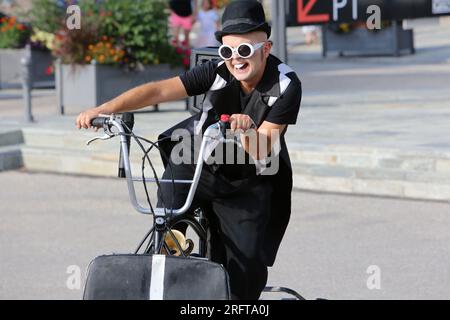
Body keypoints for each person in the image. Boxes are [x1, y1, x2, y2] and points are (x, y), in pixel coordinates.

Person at [76, 0, 302, 300]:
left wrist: (247, 129)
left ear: (266, 48)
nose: (235, 59)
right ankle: (174, 250)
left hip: (250, 181)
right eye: (228, 51)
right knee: (167, 209)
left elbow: (262, 150)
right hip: (200, 166)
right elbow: (158, 91)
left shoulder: (286, 85)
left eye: (245, 50)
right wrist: (104, 108)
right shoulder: (217, 70)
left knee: (244, 276)